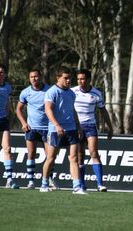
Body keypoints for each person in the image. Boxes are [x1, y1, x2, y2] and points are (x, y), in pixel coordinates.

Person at [40, 66, 85, 194]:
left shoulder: (71, 93)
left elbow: (72, 110)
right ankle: (44, 184)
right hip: (55, 130)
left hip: (71, 129)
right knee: (51, 158)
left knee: (74, 158)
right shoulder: (52, 92)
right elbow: (48, 109)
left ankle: (77, 187)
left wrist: (78, 126)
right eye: (65, 78)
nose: (68, 80)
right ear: (58, 78)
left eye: (70, 78)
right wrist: (57, 125)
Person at [16, 69, 59, 190]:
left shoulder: (49, 90)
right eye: (31, 77)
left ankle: (49, 179)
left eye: (36, 76)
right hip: (32, 128)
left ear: (40, 77)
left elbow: (55, 107)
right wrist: (24, 123)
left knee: (49, 156)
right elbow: (18, 109)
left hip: (48, 128)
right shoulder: (25, 92)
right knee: (31, 154)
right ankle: (31, 181)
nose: (34, 79)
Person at [71, 69, 113, 192]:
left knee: (94, 152)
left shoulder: (96, 93)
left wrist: (110, 127)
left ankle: (100, 184)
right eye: (78, 79)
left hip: (90, 126)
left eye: (83, 79)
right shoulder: (72, 91)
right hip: (76, 126)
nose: (80, 81)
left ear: (89, 79)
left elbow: (103, 111)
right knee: (80, 156)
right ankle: (81, 184)